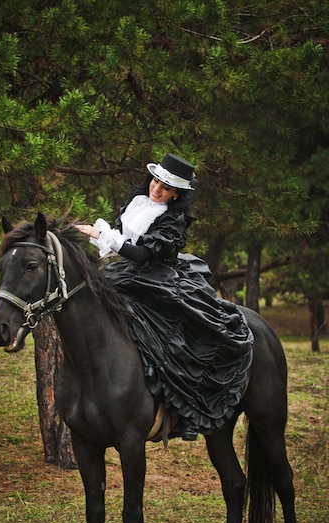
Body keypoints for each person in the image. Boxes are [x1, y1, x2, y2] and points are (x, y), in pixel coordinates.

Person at [74, 153, 253, 441]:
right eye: (156, 181)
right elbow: (124, 241)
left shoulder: (173, 219)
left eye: (166, 187)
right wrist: (98, 237)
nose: (157, 188)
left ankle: (181, 405)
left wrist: (102, 234)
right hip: (128, 273)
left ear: (175, 194)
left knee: (169, 331)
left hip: (158, 277)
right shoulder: (138, 203)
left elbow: (145, 254)